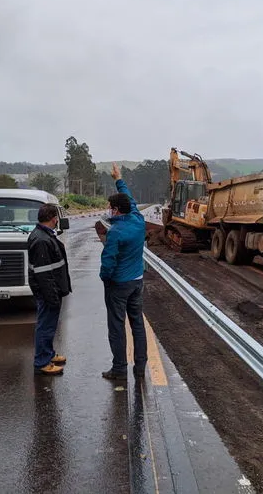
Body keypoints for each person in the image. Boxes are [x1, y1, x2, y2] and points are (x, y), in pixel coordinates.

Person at [99, 163, 147, 380]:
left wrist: (105, 279)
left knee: (117, 327)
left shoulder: (116, 232)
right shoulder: (137, 219)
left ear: (116, 210)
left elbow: (108, 262)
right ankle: (140, 367)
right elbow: (128, 197)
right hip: (137, 281)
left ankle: (119, 368)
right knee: (137, 323)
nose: (109, 210)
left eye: (110, 207)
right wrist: (119, 178)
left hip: (118, 284)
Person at [28, 204, 72, 376]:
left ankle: (48, 354)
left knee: (49, 324)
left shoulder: (44, 236)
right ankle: (42, 362)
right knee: (45, 326)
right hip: (48, 291)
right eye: (57, 218)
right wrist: (52, 295)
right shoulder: (41, 240)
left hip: (52, 289)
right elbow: (43, 273)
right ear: (54, 218)